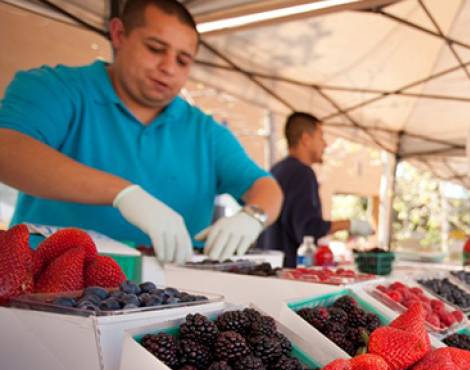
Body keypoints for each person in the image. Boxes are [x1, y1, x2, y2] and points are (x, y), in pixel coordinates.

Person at [0, 0, 282, 264]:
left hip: (173, 296)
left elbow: (265, 187)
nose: (168, 68)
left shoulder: (205, 132)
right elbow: (7, 151)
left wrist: (252, 216)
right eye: (155, 48)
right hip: (44, 289)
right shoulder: (56, 88)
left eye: (183, 60)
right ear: (119, 35)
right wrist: (123, 194)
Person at [256, 112, 373, 267]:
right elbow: (307, 231)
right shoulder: (303, 173)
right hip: (289, 274)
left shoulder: (276, 170)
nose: (325, 144)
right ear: (306, 139)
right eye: (321, 137)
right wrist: (350, 224)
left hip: (267, 268)